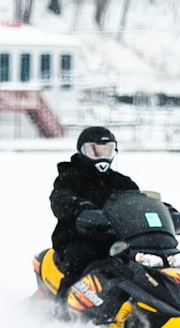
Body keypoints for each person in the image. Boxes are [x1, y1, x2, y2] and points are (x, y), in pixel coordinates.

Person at [49, 126, 140, 299]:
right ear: (82, 151)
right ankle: (62, 310)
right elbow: (59, 199)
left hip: (116, 239)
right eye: (95, 151)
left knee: (146, 261)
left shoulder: (122, 182)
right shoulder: (69, 178)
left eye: (107, 150)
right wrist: (79, 207)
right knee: (81, 258)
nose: (102, 157)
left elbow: (138, 201)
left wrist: (162, 211)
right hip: (77, 238)